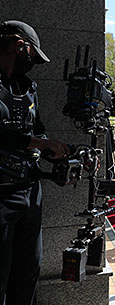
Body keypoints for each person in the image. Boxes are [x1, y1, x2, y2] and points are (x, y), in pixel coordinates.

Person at [0, 20, 69, 305]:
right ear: (20, 46)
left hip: (30, 191)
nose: (33, 63)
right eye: (32, 55)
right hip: (1, 196)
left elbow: (36, 128)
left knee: (28, 273)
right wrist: (39, 143)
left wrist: (54, 149)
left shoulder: (28, 86)